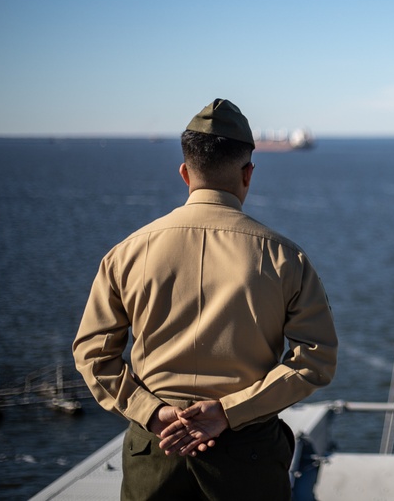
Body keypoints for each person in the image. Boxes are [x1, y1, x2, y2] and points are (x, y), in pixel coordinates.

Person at [73, 98, 338, 500]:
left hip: (154, 455)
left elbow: (94, 356)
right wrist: (227, 413)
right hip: (248, 460)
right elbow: (315, 361)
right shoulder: (285, 258)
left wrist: (154, 414)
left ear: (185, 173)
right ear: (248, 174)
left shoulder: (126, 253)